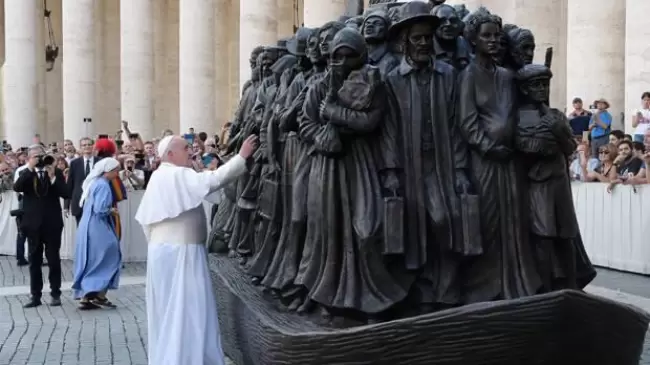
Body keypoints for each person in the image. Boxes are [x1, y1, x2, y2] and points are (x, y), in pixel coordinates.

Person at [136, 134, 258, 365]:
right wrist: (241, 156)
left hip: (164, 251)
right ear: (170, 154)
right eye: (185, 148)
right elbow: (212, 182)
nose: (191, 151)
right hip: (182, 252)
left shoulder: (162, 176)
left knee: (171, 309)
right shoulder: (175, 173)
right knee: (188, 309)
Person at [14, 145, 69, 308]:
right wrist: (30, 168)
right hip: (32, 224)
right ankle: (35, 295)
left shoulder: (55, 172)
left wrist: (52, 177)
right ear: (29, 157)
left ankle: (55, 294)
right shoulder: (26, 173)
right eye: (35, 156)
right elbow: (17, 187)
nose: (39, 159)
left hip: (52, 224)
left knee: (53, 260)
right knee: (34, 261)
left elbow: (66, 193)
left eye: (41, 156)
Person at [72, 158, 123, 310]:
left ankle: (89, 296)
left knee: (92, 259)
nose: (117, 173)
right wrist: (111, 210)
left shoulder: (95, 182)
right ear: (108, 170)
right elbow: (100, 209)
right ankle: (97, 295)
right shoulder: (103, 185)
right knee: (110, 257)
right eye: (116, 170)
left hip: (87, 225)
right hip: (97, 226)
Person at [64, 137, 98, 225]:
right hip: (79, 204)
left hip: (96, 203)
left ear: (93, 146)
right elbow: (70, 185)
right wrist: (66, 206)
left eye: (89, 144)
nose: (87, 147)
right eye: (84, 145)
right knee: (81, 232)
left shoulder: (99, 162)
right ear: (80, 148)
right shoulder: (74, 163)